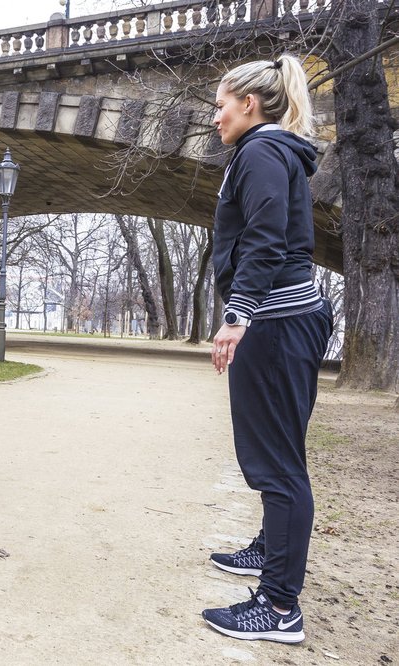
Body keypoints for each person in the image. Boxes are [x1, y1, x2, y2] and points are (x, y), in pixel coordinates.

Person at [201, 54, 334, 643]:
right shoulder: (273, 151)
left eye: (221, 104)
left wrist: (238, 316)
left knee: (277, 465)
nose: (215, 116)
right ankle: (269, 550)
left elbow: (265, 234)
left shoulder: (259, 151)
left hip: (277, 323)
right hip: (289, 318)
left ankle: (280, 608)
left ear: (248, 104)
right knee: (279, 456)